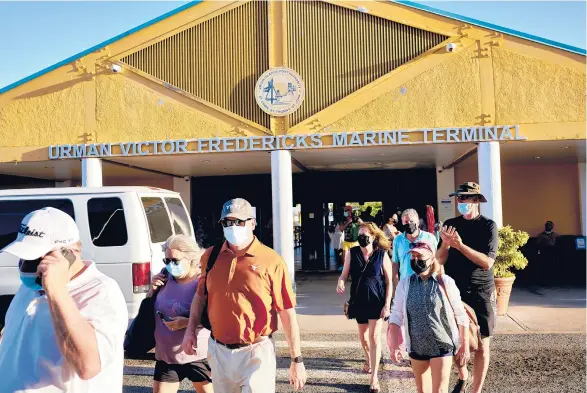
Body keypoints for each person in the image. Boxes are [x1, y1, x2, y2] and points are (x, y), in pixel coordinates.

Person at [181, 198, 306, 392]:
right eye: (227, 222)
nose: (233, 227)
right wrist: (189, 331)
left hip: (256, 352)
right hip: (218, 350)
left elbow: (287, 312)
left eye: (239, 221)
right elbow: (200, 296)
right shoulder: (210, 256)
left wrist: (296, 359)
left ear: (253, 223)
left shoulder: (271, 260)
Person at [0, 207, 128, 392]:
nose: (25, 265)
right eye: (23, 256)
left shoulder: (101, 292)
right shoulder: (30, 288)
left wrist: (57, 291)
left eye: (37, 257)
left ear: (70, 253)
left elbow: (88, 366)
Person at [436, 182, 498, 393]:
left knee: (482, 345)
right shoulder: (450, 224)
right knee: (454, 340)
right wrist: (445, 244)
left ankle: (476, 390)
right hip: (455, 292)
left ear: (476, 200)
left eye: (465, 198)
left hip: (481, 291)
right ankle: (464, 374)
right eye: (459, 198)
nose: (460, 202)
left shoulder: (488, 226)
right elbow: (439, 260)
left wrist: (460, 246)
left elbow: (487, 262)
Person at [387, 241, 470, 393]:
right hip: (417, 346)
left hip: (442, 344)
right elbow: (396, 316)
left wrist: (463, 345)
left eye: (419, 256)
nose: (415, 260)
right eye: (412, 256)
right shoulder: (405, 284)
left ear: (432, 258)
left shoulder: (445, 282)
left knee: (439, 391)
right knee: (422, 390)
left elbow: (461, 315)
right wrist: (393, 345)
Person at [148, 235, 213, 393]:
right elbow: (148, 308)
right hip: (167, 356)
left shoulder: (203, 282)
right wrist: (152, 290)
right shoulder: (164, 277)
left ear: (190, 259)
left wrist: (185, 323)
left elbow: (213, 317)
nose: (170, 265)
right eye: (167, 260)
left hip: (198, 356)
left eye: (175, 261)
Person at [337, 222, 393, 393]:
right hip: (359, 300)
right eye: (359, 234)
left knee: (375, 337)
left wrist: (387, 304)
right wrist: (340, 281)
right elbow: (344, 274)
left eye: (365, 234)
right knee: (364, 337)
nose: (361, 237)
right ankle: (369, 358)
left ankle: (374, 378)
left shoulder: (382, 254)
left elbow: (390, 281)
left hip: (376, 300)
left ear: (373, 236)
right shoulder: (352, 253)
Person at [392, 209, 439, 297]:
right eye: (406, 221)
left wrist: (439, 280)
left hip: (427, 284)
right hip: (406, 285)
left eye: (412, 221)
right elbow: (395, 263)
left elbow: (437, 260)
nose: (409, 223)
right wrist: (396, 284)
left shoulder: (430, 238)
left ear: (418, 221)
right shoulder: (397, 240)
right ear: (402, 223)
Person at [340, 205, 360, 272]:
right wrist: (348, 222)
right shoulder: (343, 219)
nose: (345, 212)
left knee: (355, 258)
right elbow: (341, 229)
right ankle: (346, 271)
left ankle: (354, 271)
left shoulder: (356, 219)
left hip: (355, 242)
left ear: (350, 211)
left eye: (346, 211)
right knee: (345, 257)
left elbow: (363, 224)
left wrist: (356, 219)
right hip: (346, 241)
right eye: (344, 211)